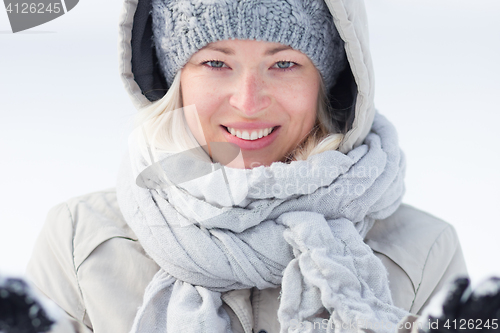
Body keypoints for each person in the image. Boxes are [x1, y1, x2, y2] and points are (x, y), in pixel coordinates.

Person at [16, 0, 485, 332]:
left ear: (328, 84)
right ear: (175, 82)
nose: (248, 101)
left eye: (283, 64)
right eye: (216, 64)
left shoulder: (422, 251)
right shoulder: (83, 241)